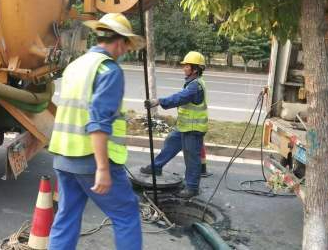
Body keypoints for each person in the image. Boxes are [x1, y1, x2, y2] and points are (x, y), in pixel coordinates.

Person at [48, 13, 145, 250]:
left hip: (63, 157)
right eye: (126, 46)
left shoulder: (76, 66)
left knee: (66, 216)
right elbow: (98, 123)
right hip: (91, 161)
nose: (124, 51)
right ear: (119, 41)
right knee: (126, 215)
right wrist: (103, 169)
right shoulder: (108, 71)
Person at [140, 51, 208, 198]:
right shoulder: (191, 83)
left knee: (191, 158)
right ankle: (156, 167)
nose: (184, 68)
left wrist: (158, 101)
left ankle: (192, 188)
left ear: (195, 69)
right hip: (184, 127)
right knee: (171, 141)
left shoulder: (195, 86)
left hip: (193, 129)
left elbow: (179, 98)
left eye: (187, 66)